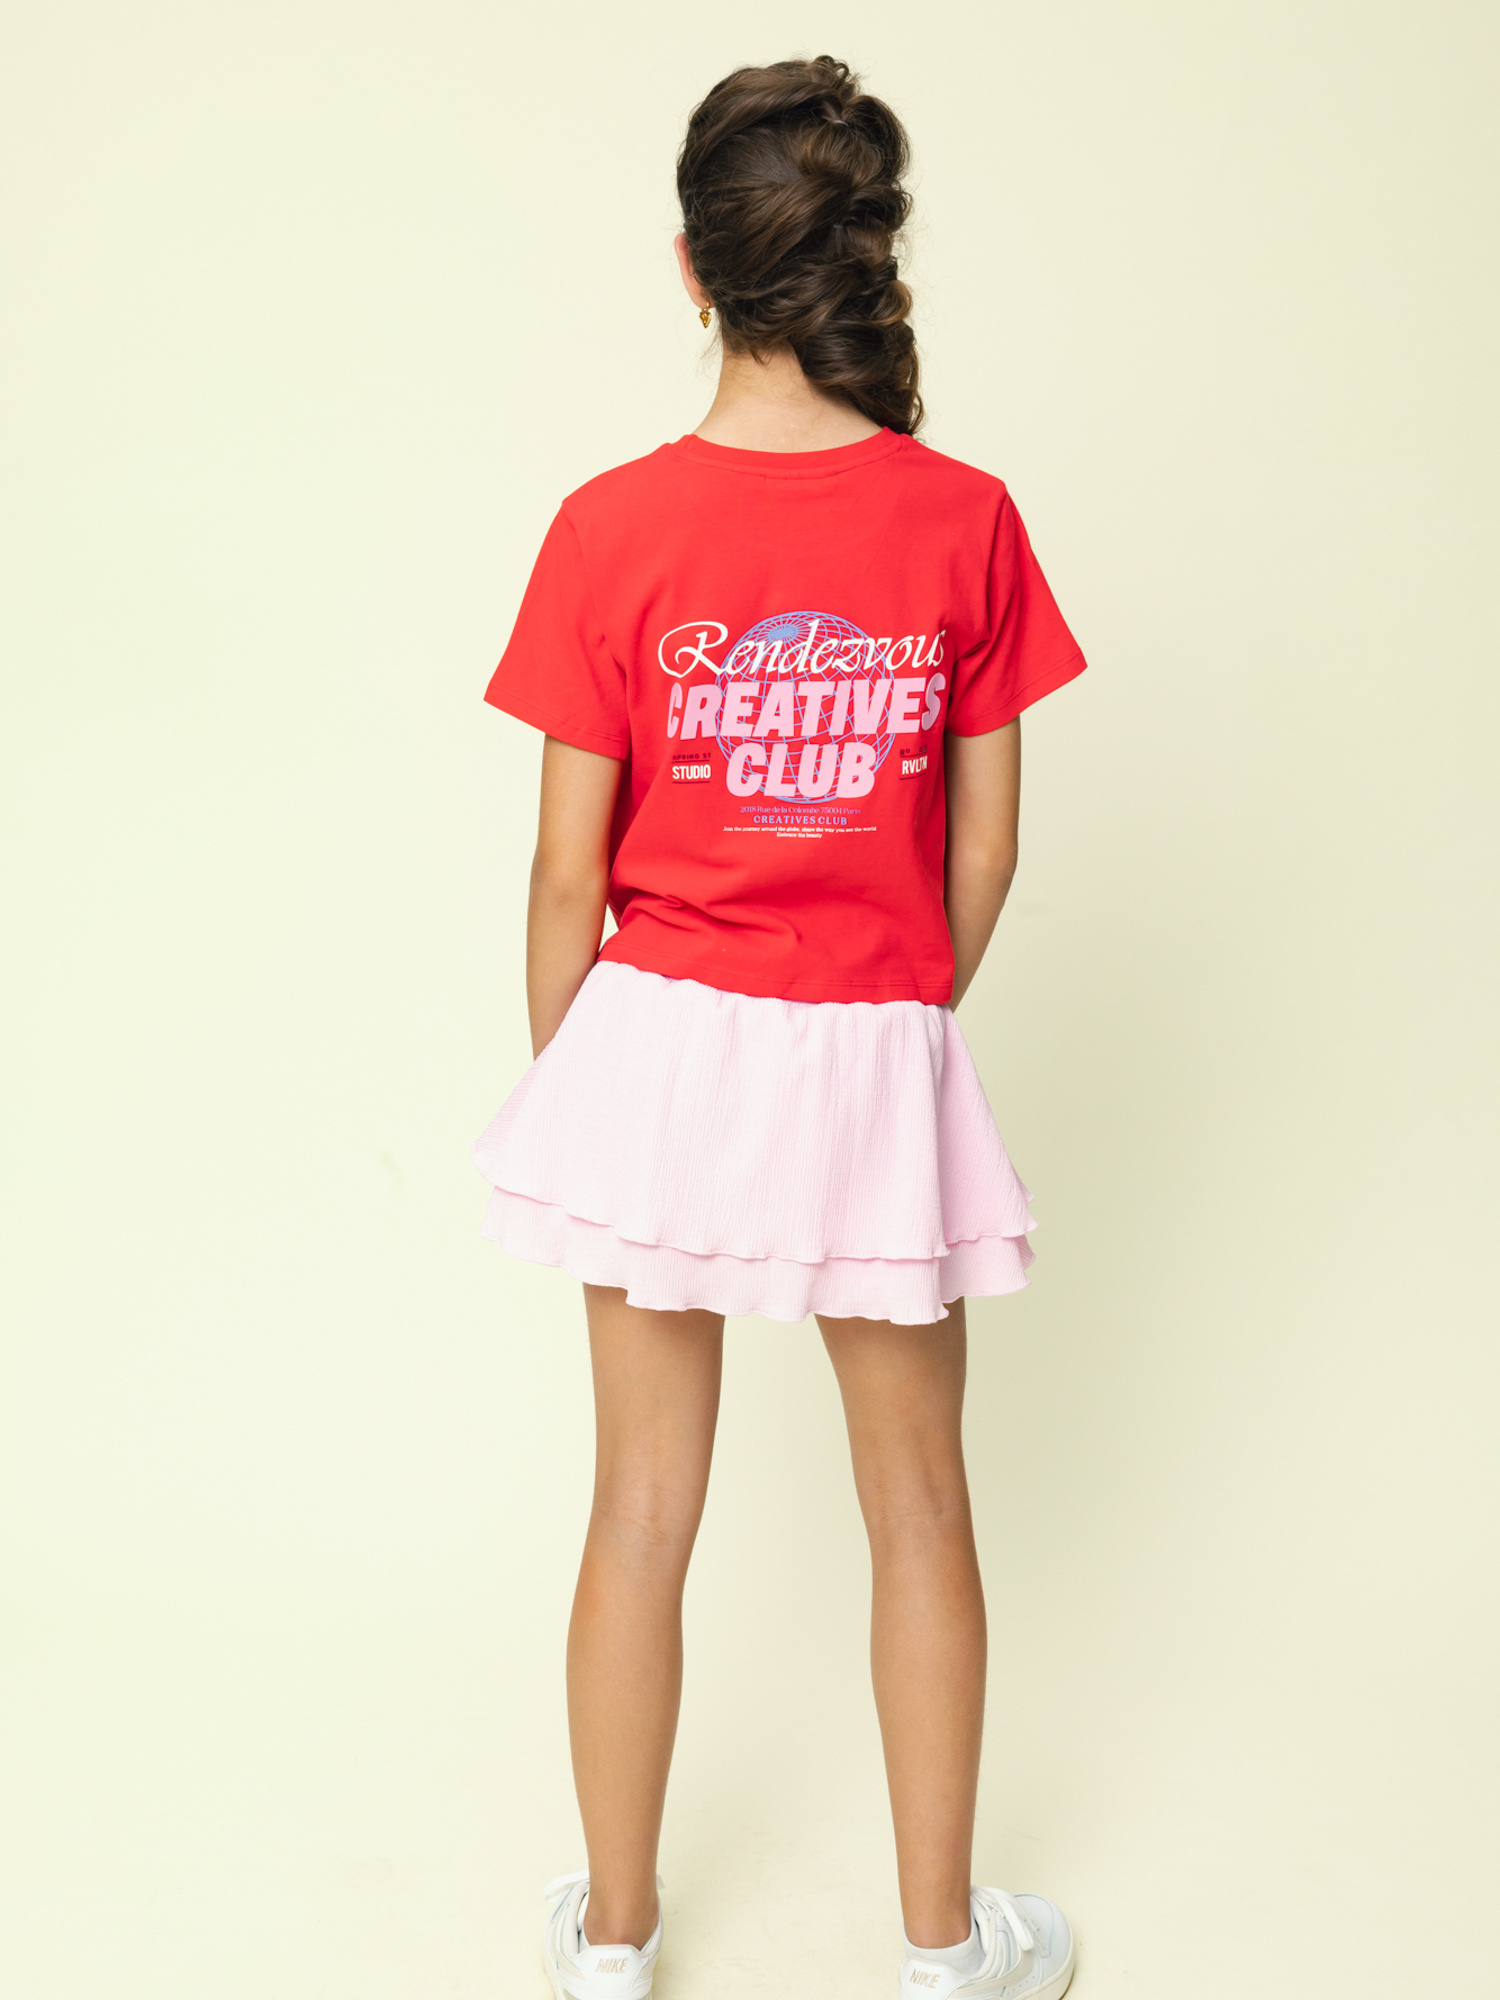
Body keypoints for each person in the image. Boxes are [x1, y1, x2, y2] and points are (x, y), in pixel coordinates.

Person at [474, 55, 1086, 2000]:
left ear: (692, 267)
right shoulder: (965, 519)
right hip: (867, 1038)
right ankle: (942, 1951)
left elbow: (565, 876)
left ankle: (614, 1944)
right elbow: (983, 849)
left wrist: (591, 1079)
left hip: (656, 1042)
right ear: (867, 255)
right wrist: (890, 1015)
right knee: (921, 1507)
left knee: (638, 1510)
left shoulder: (609, 525)